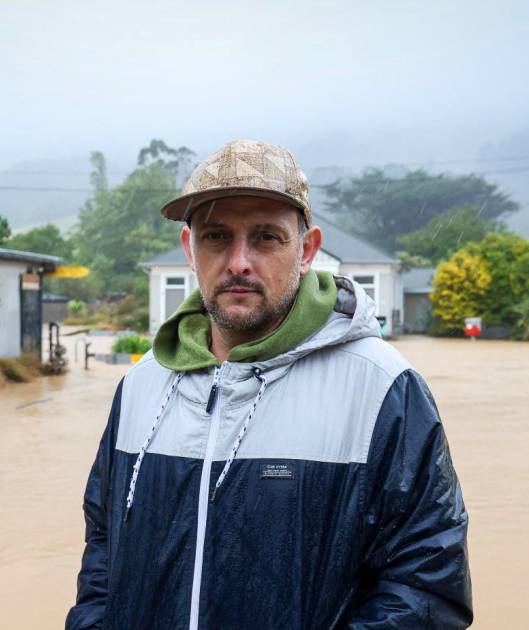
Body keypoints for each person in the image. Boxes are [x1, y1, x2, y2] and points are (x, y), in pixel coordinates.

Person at [65, 139, 472, 629]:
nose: (238, 261)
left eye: (265, 238)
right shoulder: (140, 386)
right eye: (216, 236)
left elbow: (426, 585)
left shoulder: (383, 390)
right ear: (189, 251)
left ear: (306, 250)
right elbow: (103, 550)